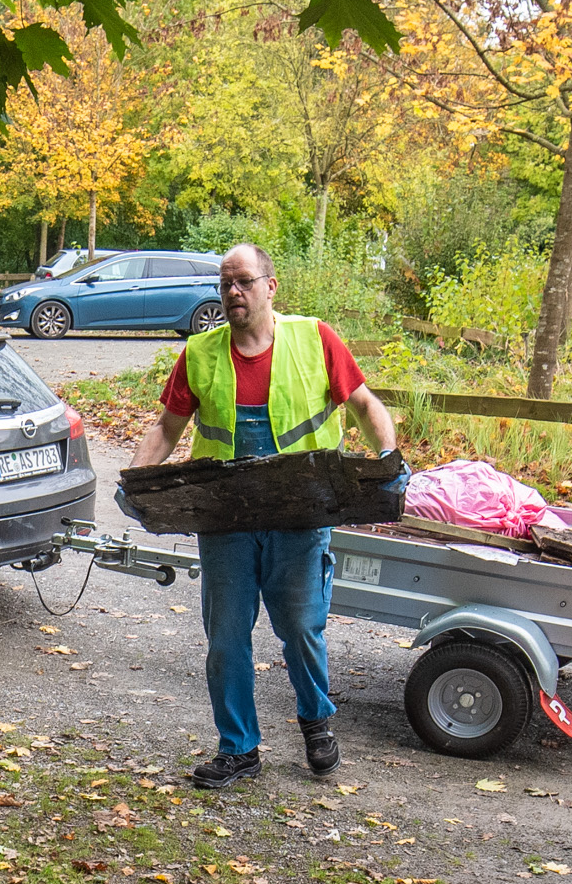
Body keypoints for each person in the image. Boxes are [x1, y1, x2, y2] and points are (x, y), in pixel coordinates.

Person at [127, 244, 398, 790]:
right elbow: (167, 427)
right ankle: (238, 748)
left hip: (300, 514)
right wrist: (136, 483)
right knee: (226, 636)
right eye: (224, 284)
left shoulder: (314, 339)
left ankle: (316, 721)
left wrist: (390, 465)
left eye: (243, 282)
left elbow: (366, 405)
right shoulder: (201, 354)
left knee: (300, 627)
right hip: (227, 519)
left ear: (270, 287)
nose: (232, 292)